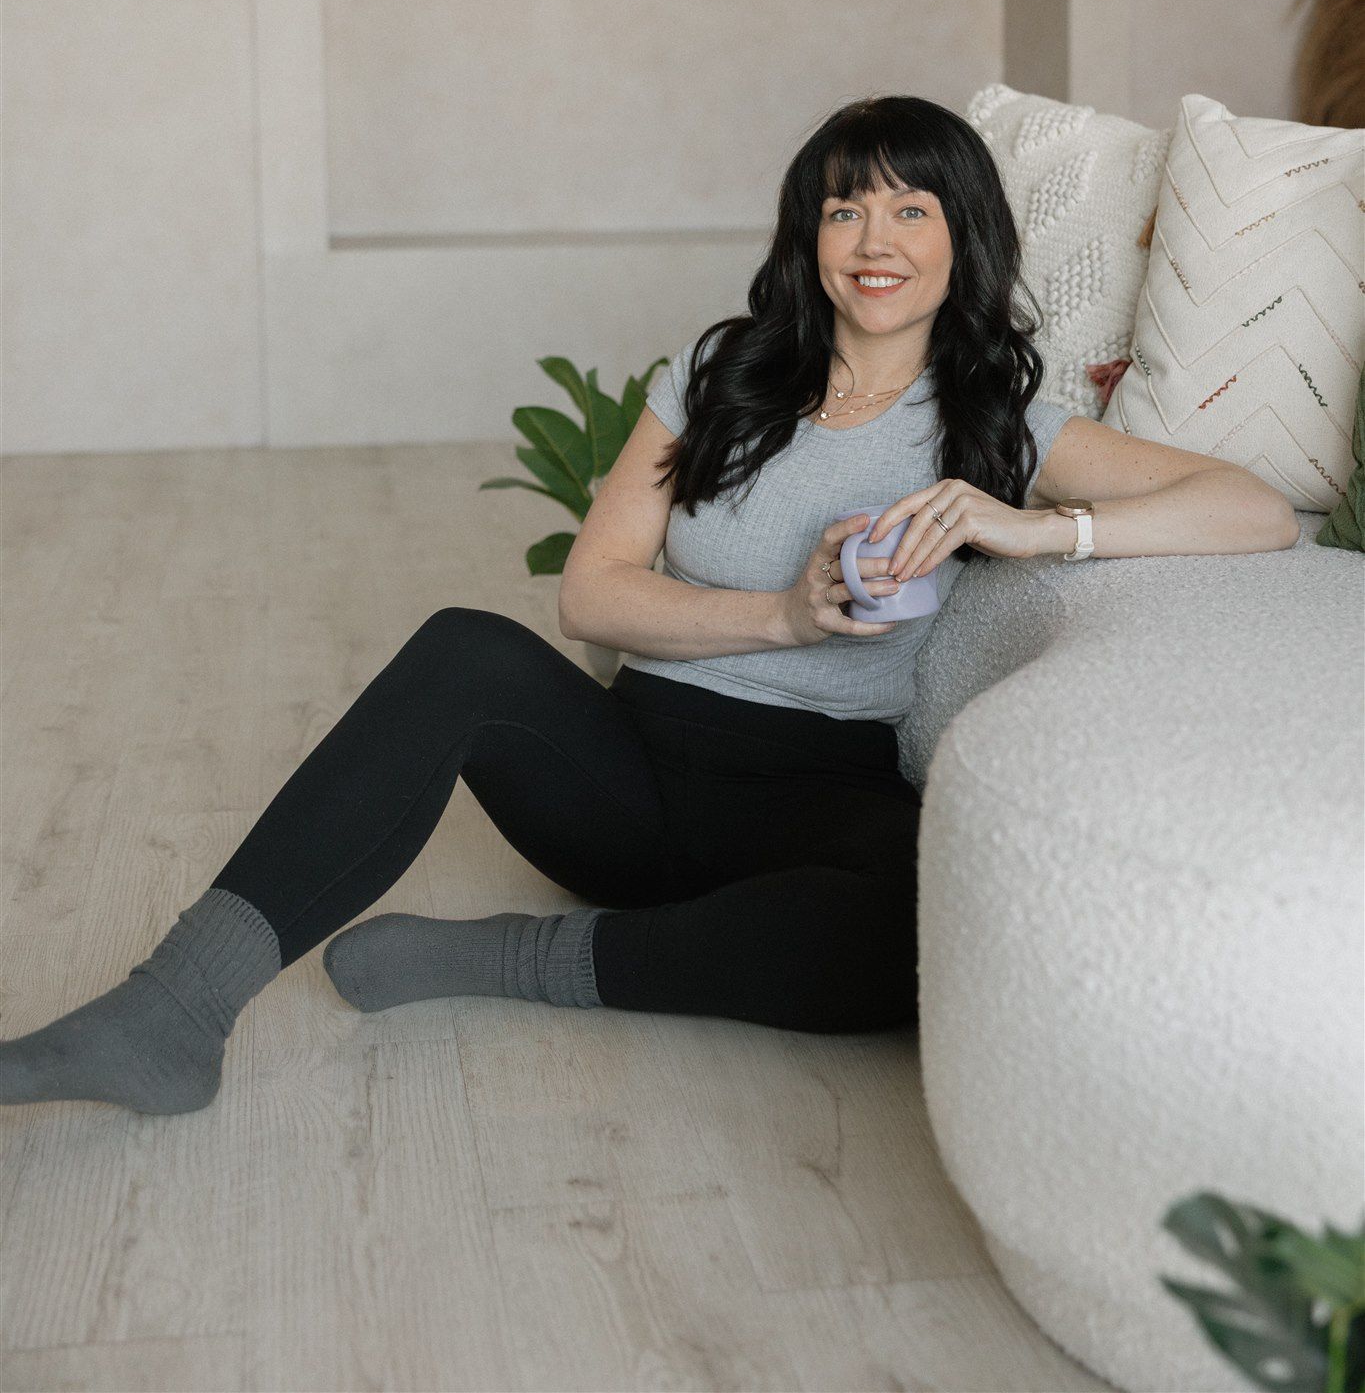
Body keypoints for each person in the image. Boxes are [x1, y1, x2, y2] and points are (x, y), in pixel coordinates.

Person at [0, 93, 1098, 1114]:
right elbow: (590, 591)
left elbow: (1241, 504)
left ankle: (521, 959)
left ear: (965, 235)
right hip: (632, 774)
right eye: (843, 207)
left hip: (808, 803)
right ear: (807, 236)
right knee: (464, 651)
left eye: (912, 208)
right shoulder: (723, 379)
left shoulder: (997, 427)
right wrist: (784, 617)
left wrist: (1040, 525)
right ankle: (175, 1005)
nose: (874, 241)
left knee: (929, 912)